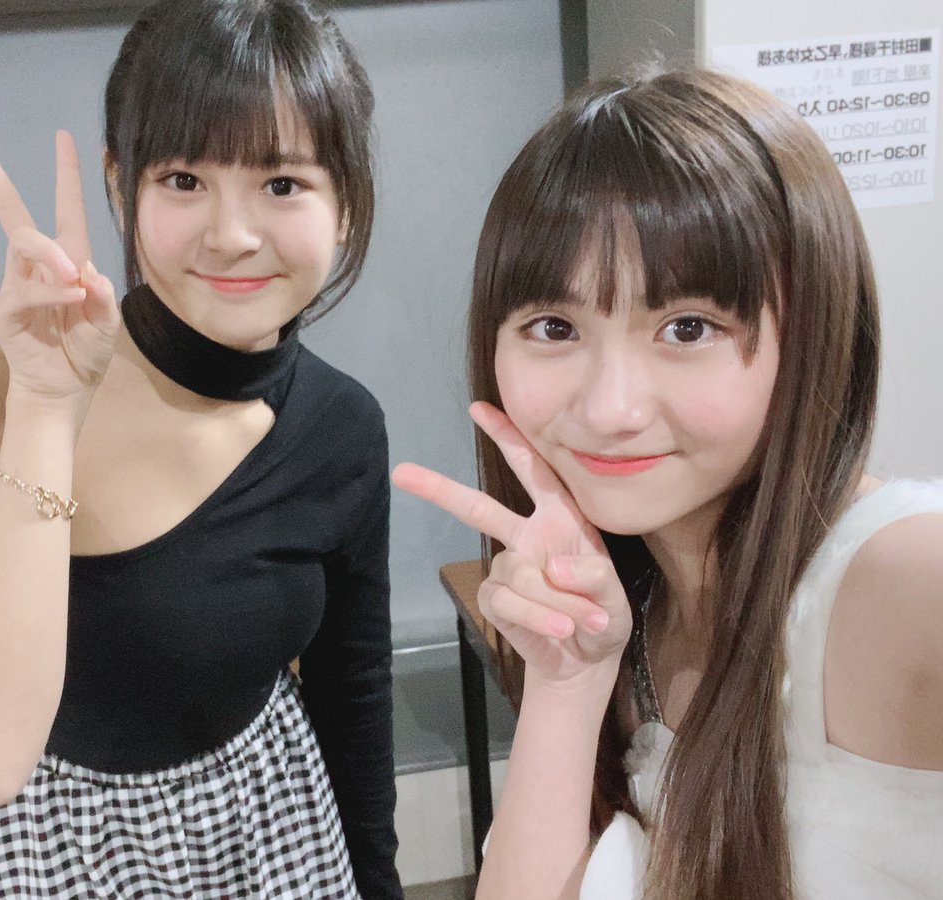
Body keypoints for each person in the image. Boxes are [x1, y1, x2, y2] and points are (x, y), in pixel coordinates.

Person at [394, 68, 943, 899]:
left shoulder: (897, 579)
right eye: (555, 326)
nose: (609, 409)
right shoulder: (632, 600)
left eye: (688, 328)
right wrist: (567, 684)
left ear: (812, 333)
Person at [0, 2, 403, 897]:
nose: (232, 235)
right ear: (119, 184)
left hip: (278, 836)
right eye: (182, 179)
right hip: (69, 857)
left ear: (345, 203)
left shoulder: (343, 427)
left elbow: (352, 692)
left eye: (282, 183)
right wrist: (47, 408)